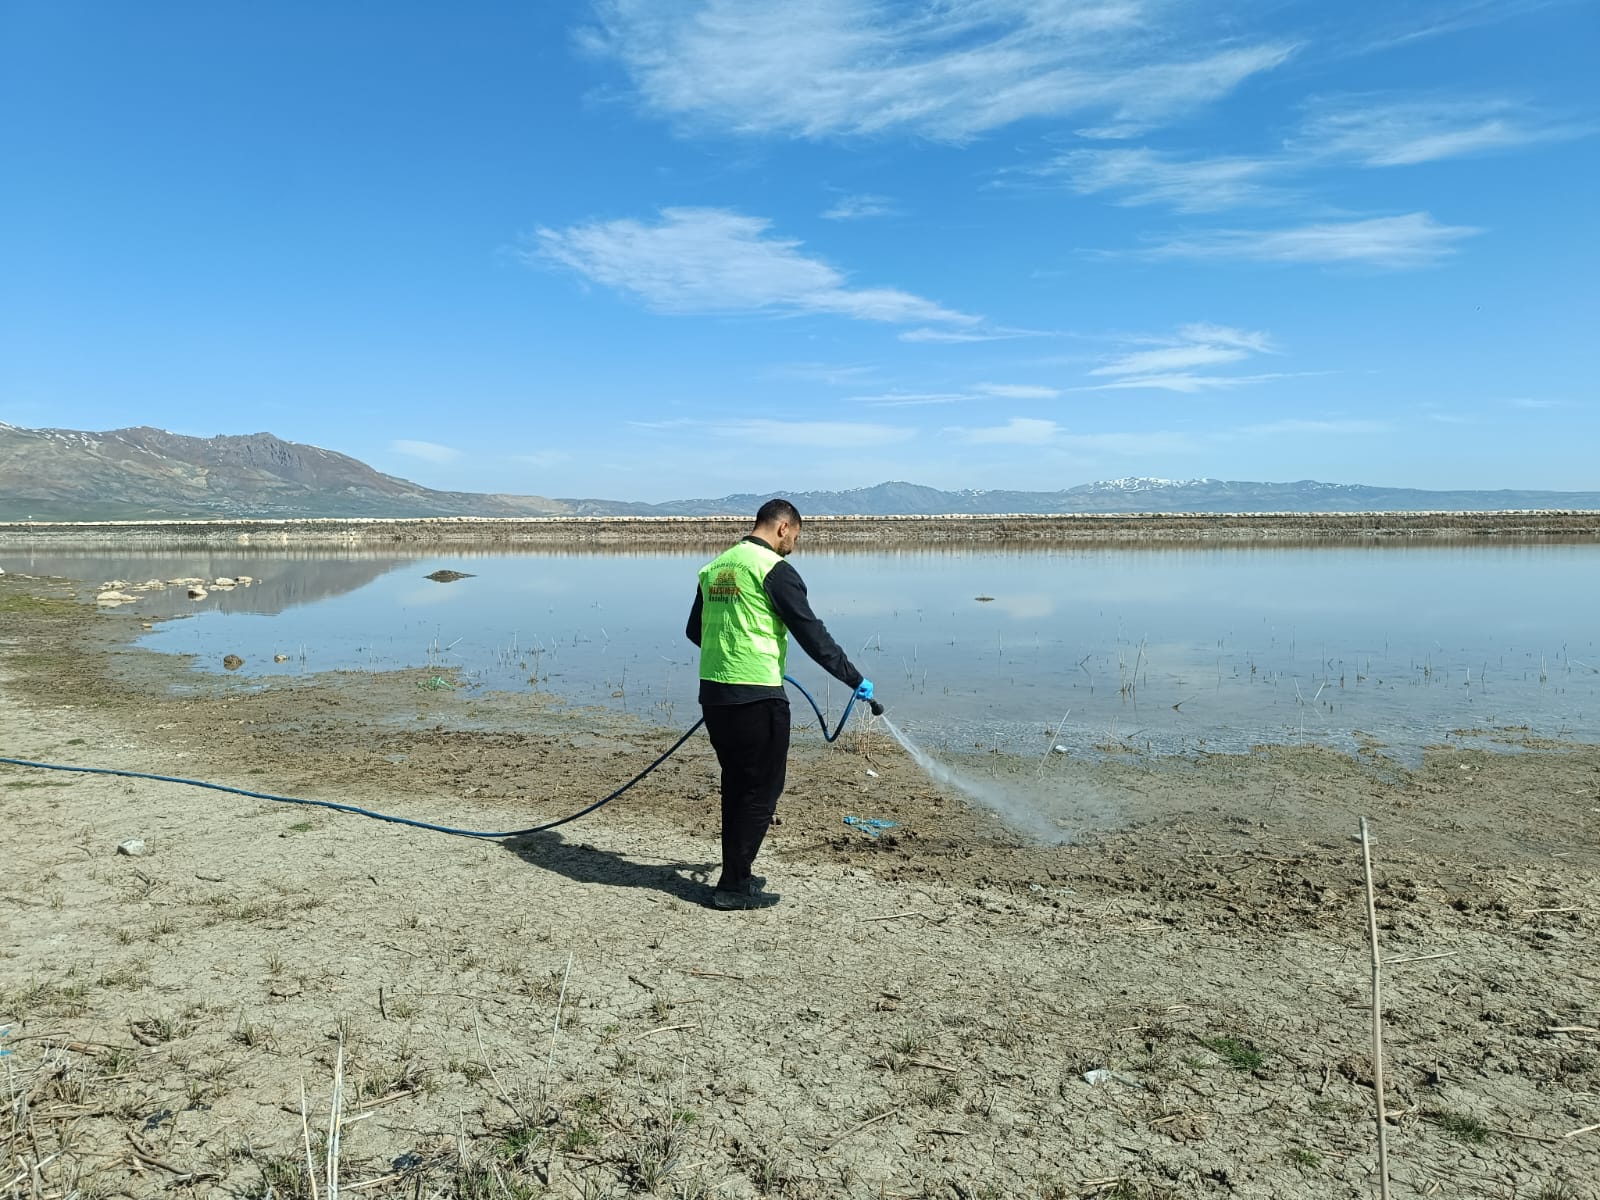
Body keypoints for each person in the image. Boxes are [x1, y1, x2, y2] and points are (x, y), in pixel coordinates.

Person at [685, 498, 875, 910]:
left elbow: (694, 632)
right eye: (796, 537)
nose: (794, 545)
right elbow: (812, 635)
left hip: (716, 695)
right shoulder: (774, 570)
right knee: (762, 790)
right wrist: (854, 679)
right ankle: (733, 886)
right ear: (783, 528)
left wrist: (737, 650)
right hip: (756, 698)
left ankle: (738, 873)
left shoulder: (716, 567)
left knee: (738, 784)